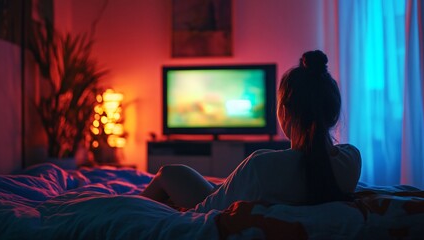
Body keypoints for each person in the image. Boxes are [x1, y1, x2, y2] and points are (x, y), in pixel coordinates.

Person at [140, 50, 362, 212]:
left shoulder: (261, 165)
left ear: (284, 111)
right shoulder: (352, 159)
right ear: (333, 112)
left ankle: (125, 209)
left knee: (168, 172)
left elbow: (209, 207)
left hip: (213, 203)